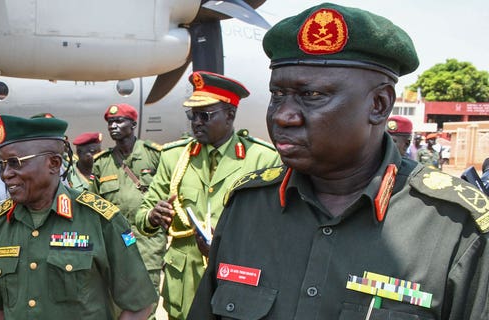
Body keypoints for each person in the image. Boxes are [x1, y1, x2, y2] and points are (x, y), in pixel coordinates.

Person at [188, 3, 489, 319]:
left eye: (312, 96)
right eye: (277, 95)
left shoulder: (456, 227)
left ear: (379, 104)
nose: (283, 115)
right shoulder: (247, 207)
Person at [135, 71, 281, 319]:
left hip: (235, 282)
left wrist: (227, 243)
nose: (196, 122)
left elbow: (275, 225)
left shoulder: (262, 158)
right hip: (184, 286)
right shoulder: (174, 157)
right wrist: (153, 215)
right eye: (192, 115)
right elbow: (141, 215)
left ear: (230, 115)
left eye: (205, 115)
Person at [0, 114, 157, 319]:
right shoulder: (0, 225)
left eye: (15, 163)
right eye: (1, 164)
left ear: (54, 163)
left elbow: (138, 304)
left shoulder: (100, 220)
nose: (6, 174)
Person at [92, 103, 165, 315]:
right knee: (118, 305)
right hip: (116, 245)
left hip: (147, 243)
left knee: (147, 305)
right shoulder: (102, 163)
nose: (113, 126)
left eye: (118, 121)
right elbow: (94, 206)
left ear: (133, 124)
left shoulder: (154, 155)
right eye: (110, 122)